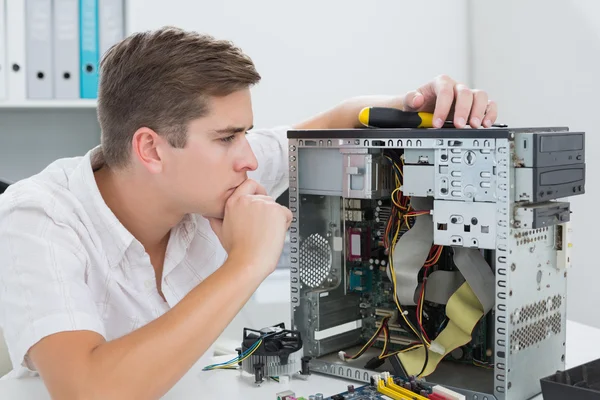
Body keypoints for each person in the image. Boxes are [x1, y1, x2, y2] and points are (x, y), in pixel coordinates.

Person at [0, 26, 498, 399]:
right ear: (150, 149)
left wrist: (420, 102)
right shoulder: (39, 218)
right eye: (226, 137)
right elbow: (87, 390)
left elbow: (340, 118)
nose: (251, 157)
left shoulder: (212, 174)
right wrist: (247, 263)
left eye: (245, 132)